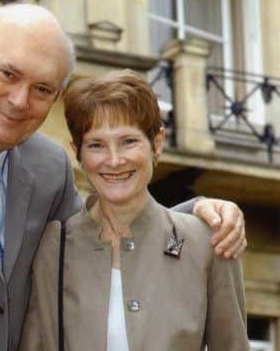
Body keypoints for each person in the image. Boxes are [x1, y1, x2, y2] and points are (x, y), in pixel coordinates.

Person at [0, 4, 245, 351]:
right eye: (8, 73)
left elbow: (98, 241)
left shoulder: (48, 164)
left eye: (42, 89)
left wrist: (196, 219)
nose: (19, 100)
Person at [19, 70, 249, 351]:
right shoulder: (52, 245)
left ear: (157, 142)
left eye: (128, 141)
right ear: (77, 152)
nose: (114, 160)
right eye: (96, 145)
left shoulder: (209, 242)